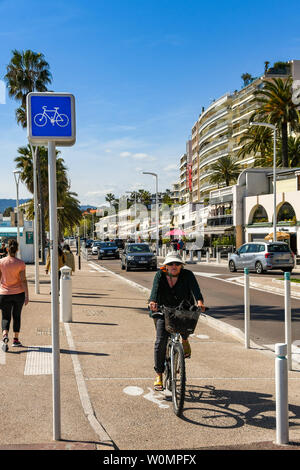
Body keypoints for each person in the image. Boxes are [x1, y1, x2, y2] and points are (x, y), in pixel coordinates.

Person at [148, 252, 205, 391]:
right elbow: (154, 291)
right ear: (165, 266)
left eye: (177, 264)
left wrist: (200, 303)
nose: (174, 266)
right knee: (160, 341)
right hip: (163, 310)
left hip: (182, 309)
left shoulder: (188, 275)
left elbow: (196, 292)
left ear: (181, 266)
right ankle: (159, 375)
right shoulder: (160, 275)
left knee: (187, 326)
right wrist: (153, 302)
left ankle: (184, 340)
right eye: (171, 264)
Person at [0, 239, 29, 351]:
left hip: (4, 294)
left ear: (7, 249)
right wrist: (27, 295)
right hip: (18, 294)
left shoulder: (1, 262)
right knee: (16, 316)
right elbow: (23, 280)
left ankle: (5, 336)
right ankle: (16, 340)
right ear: (17, 250)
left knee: (5, 317)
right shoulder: (20, 263)